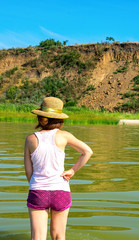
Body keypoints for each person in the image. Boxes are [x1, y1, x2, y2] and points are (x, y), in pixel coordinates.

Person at [24, 97, 93, 240]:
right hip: (60, 190)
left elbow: (28, 171)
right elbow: (87, 152)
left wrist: (37, 184)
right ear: (59, 119)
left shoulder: (31, 139)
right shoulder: (64, 136)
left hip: (38, 190)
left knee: (37, 237)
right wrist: (72, 170)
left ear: (40, 118)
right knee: (59, 236)